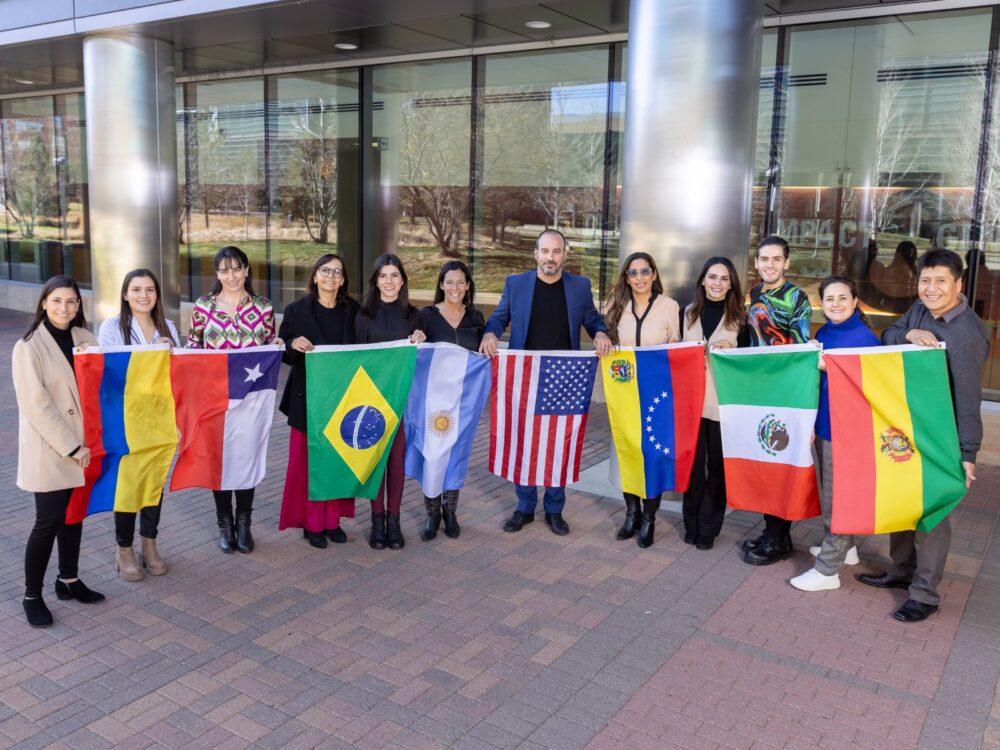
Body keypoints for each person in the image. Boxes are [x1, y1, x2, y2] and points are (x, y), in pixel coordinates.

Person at [857, 249, 989, 622]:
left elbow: (968, 400)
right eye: (925, 280)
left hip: (942, 437)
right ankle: (900, 572)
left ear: (959, 284)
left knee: (931, 516)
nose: (931, 289)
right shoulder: (919, 309)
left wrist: (967, 453)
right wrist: (910, 332)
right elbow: (889, 335)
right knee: (903, 500)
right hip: (907, 427)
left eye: (940, 281)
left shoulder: (967, 334)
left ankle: (925, 594)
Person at [480, 229, 612, 536]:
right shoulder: (516, 284)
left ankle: (554, 509)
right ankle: (525, 507)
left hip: (562, 378)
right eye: (545, 251)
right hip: (524, 377)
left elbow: (592, 319)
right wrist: (489, 332)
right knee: (523, 440)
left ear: (565, 255)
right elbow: (500, 318)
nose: (550, 258)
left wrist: (601, 332)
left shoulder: (580, 286)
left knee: (557, 443)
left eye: (556, 252)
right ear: (535, 253)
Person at [13, 276, 105, 627]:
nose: (64, 308)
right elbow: (36, 406)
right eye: (56, 301)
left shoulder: (86, 339)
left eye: (71, 301)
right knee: (47, 522)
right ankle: (31, 595)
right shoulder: (28, 347)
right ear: (43, 303)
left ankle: (68, 579)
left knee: (74, 516)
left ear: (79, 306)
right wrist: (71, 447)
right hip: (52, 448)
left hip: (85, 446)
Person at [788, 276, 879, 591]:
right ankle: (846, 547)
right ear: (821, 304)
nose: (836, 304)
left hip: (849, 432)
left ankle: (827, 570)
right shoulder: (824, 332)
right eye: (829, 299)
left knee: (840, 498)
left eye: (843, 298)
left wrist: (832, 368)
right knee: (830, 493)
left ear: (855, 302)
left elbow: (872, 387)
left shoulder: (865, 338)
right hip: (825, 426)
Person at [187, 246, 279, 554]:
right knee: (220, 461)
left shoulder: (263, 307)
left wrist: (276, 345)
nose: (232, 276)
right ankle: (224, 524)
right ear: (217, 274)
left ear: (247, 270)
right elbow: (193, 349)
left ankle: (244, 525)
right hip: (215, 399)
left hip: (250, 400)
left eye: (237, 268)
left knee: (246, 458)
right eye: (225, 270)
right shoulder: (203, 306)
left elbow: (268, 347)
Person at [97, 269, 180, 581]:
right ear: (125, 294)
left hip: (159, 416)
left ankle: (149, 544)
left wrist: (168, 351)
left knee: (153, 482)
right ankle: (124, 549)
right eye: (136, 290)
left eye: (149, 290)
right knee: (128, 484)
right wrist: (148, 354)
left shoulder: (168, 326)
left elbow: (175, 375)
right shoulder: (111, 327)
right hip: (126, 418)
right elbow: (110, 374)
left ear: (157, 295)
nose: (143, 296)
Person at [278, 254, 360, 549]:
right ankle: (312, 523)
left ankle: (332, 521)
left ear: (343, 280)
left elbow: (369, 347)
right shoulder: (296, 310)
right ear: (314, 276)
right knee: (308, 463)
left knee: (337, 461)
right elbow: (284, 353)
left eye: (337, 272)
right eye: (325, 271)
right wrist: (292, 344)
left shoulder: (354, 310)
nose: (331, 276)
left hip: (343, 400)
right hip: (307, 400)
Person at [741, 235, 813, 566]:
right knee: (764, 460)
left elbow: (798, 345)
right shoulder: (755, 293)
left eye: (776, 259)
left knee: (780, 461)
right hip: (760, 389)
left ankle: (780, 537)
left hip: (785, 390)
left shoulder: (795, 297)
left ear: (786, 263)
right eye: (764, 259)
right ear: (756, 263)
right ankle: (772, 532)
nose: (769, 265)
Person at [603, 252, 679, 547]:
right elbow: (606, 339)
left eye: (645, 271)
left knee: (654, 454)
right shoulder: (615, 306)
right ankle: (631, 513)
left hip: (658, 393)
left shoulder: (669, 307)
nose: (639, 278)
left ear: (654, 274)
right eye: (633, 273)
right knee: (629, 451)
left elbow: (676, 344)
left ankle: (649, 518)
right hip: (624, 391)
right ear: (626, 278)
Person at [355, 254, 427, 550]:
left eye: (394, 275)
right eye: (383, 276)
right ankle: (377, 522)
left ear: (402, 280)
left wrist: (422, 338)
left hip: (400, 400)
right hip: (370, 400)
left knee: (395, 462)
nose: (389, 281)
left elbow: (421, 360)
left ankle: (394, 522)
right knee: (375, 462)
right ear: (375, 281)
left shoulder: (414, 316)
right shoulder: (362, 315)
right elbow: (354, 357)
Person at [679, 256, 748, 551]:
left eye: (723, 278)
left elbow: (747, 365)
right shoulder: (689, 313)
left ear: (731, 284)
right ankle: (691, 524)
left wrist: (731, 349)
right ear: (702, 281)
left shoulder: (740, 320)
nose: (717, 283)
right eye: (712, 277)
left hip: (723, 405)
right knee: (693, 468)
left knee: (718, 469)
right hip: (692, 404)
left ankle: (708, 528)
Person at [416, 260, 485, 541]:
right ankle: (432, 514)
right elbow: (417, 351)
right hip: (433, 401)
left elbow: (482, 353)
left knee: (456, 454)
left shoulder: (476, 317)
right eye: (449, 282)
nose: (455, 287)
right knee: (433, 455)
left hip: (463, 401)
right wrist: (416, 339)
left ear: (467, 286)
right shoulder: (427, 316)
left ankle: (450, 511)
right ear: (441, 285)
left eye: (460, 282)